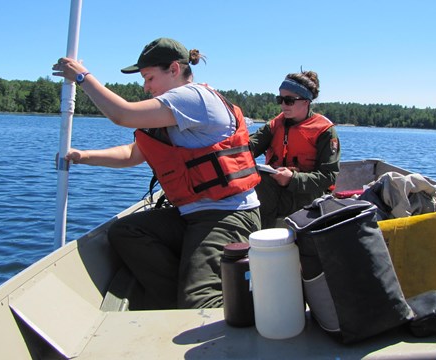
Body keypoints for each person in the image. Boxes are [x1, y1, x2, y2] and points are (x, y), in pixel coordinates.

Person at [52, 38, 261, 309]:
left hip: (228, 215)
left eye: (149, 77)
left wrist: (82, 76)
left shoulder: (193, 98)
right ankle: (176, 300)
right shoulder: (173, 111)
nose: (145, 87)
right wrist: (83, 156)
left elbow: (121, 114)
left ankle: (204, 309)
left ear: (174, 69)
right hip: (194, 215)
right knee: (126, 231)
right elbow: (133, 154)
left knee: (201, 301)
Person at [249, 71, 340, 229]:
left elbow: (328, 176)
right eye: (280, 99)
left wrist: (292, 178)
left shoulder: (324, 131)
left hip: (309, 194)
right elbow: (248, 148)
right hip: (276, 189)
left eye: (289, 100)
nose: (283, 105)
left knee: (263, 185)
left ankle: (264, 239)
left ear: (306, 101)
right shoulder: (276, 124)